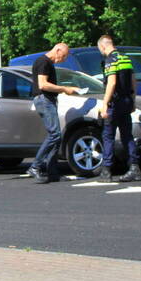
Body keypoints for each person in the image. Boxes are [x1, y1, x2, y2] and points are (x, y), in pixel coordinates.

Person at [29, 43, 79, 184]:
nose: (62, 60)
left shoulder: (47, 63)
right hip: (44, 100)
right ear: (57, 50)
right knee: (55, 134)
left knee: (56, 137)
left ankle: (53, 172)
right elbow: (43, 84)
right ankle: (35, 166)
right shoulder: (43, 62)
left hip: (47, 100)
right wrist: (64, 89)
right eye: (63, 56)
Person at [97, 35, 141, 182]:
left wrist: (104, 104)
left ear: (103, 46)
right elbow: (134, 82)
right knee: (127, 135)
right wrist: (133, 100)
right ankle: (134, 167)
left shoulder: (110, 60)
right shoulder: (126, 58)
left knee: (108, 136)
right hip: (127, 100)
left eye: (100, 49)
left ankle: (106, 171)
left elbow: (112, 83)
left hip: (115, 103)